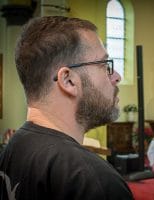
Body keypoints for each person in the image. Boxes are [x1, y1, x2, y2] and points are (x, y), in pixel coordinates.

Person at [0, 16, 133, 199]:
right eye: (104, 65)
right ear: (68, 80)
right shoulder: (93, 181)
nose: (116, 76)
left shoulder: (14, 146)